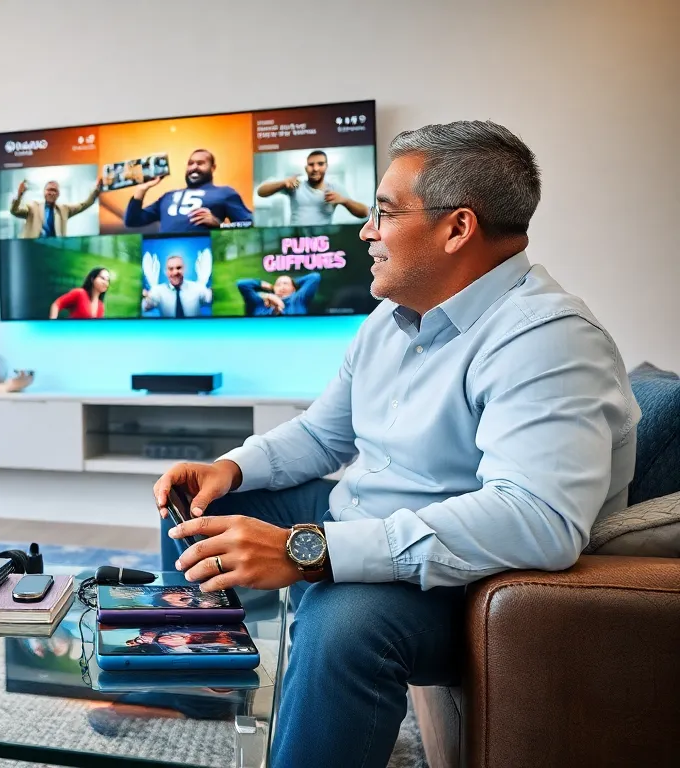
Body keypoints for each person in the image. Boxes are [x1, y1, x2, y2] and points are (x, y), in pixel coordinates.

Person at [152, 121, 639, 766]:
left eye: (384, 212)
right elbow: (323, 434)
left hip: (460, 580)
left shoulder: (547, 339)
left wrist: (311, 551)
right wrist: (230, 467)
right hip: (361, 524)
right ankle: (200, 696)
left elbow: (538, 519)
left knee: (341, 623)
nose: (365, 230)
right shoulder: (390, 317)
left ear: (457, 228)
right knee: (196, 509)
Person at [124, 149, 252, 232]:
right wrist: (141, 189)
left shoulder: (225, 193)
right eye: (190, 163)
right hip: (166, 251)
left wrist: (220, 225)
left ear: (213, 168)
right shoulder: (168, 196)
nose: (194, 167)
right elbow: (132, 221)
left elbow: (250, 224)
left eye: (200, 163)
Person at [256, 150, 370, 225]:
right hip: (295, 239)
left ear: (326, 167)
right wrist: (283, 183)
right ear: (306, 168)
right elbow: (260, 192)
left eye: (320, 164)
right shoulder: (296, 185)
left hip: (323, 242)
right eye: (311, 165)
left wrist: (344, 201)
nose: (315, 168)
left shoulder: (335, 188)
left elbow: (365, 212)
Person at [9, 178, 100, 238]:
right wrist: (19, 195)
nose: (52, 193)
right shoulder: (33, 207)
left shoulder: (64, 209)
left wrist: (96, 190)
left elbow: (83, 205)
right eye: (49, 190)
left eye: (55, 190)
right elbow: (15, 211)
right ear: (44, 192)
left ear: (58, 194)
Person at [142, 253, 211, 318]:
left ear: (184, 269)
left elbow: (210, 299)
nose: (175, 272)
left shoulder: (198, 288)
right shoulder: (157, 291)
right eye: (171, 269)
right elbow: (145, 307)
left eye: (178, 268)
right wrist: (145, 298)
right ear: (166, 272)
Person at [236, 272, 321, 316]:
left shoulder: (298, 298)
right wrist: (264, 286)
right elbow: (242, 284)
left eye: (286, 284)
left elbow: (314, 277)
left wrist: (294, 282)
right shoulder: (261, 301)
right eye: (278, 284)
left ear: (294, 288)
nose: (282, 287)